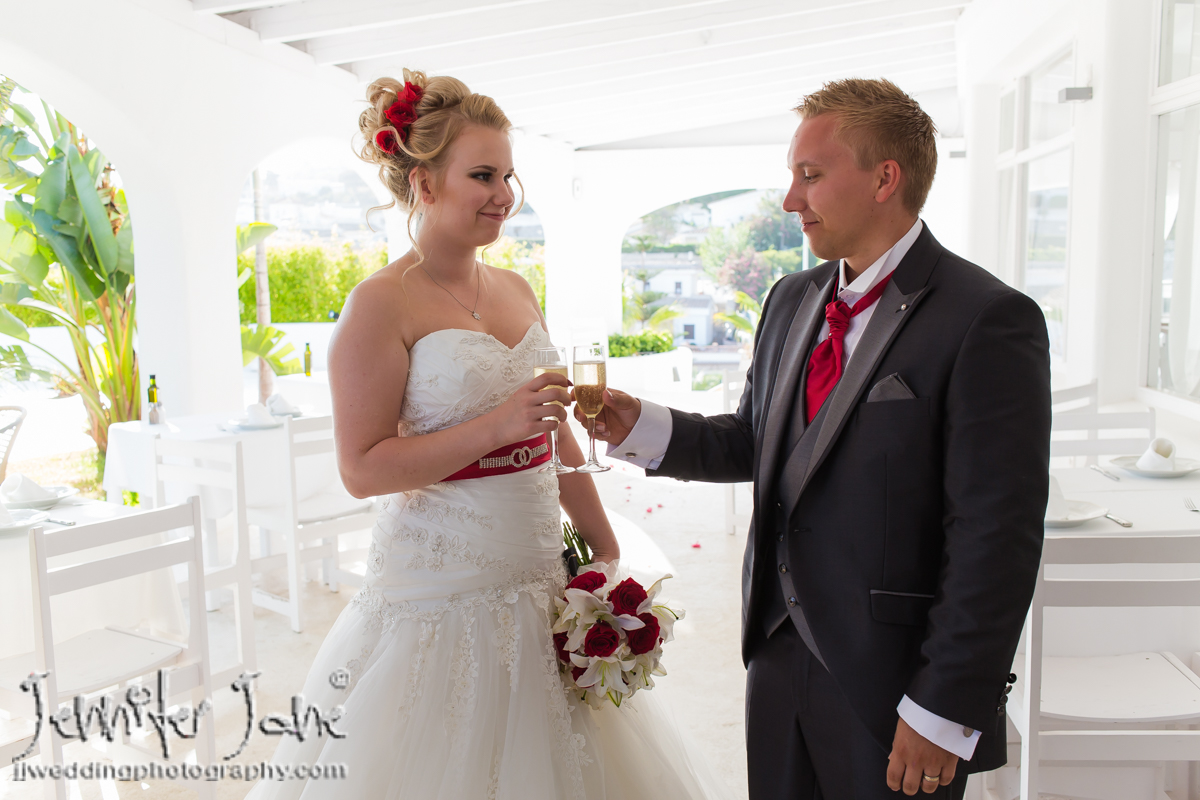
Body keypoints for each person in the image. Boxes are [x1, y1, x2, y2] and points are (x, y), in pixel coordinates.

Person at [244, 69, 730, 800]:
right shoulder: (379, 305)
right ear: (424, 181)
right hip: (438, 596)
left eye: (507, 175)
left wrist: (601, 546)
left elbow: (552, 434)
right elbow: (363, 468)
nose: (504, 194)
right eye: (482, 175)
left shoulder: (516, 289)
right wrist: (497, 423)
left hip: (538, 582)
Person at [581, 78, 1050, 799]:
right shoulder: (791, 299)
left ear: (885, 178)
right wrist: (638, 423)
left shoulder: (987, 317)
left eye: (810, 175)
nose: (789, 200)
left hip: (895, 684)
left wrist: (944, 707)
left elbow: (997, 535)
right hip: (775, 657)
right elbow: (754, 441)